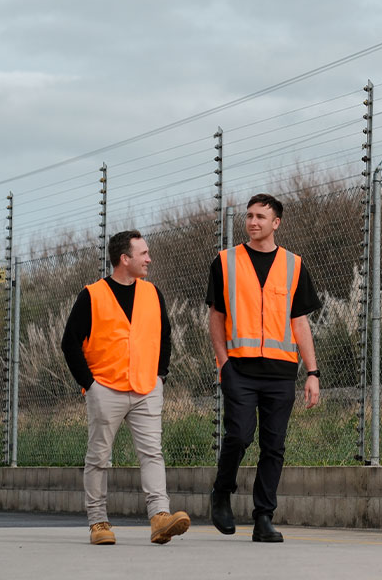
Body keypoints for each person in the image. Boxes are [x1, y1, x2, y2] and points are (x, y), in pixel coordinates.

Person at [60, 229, 191, 546]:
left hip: (147, 388)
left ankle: (160, 517)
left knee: (152, 454)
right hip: (106, 389)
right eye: (143, 253)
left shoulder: (152, 293)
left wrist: (160, 376)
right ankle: (98, 523)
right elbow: (70, 344)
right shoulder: (91, 296)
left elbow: (164, 337)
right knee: (98, 459)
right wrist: (90, 386)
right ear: (124, 258)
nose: (149, 258)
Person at [206, 193, 321, 543]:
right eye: (249, 216)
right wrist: (224, 363)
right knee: (239, 435)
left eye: (261, 217)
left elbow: (299, 322)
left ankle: (263, 517)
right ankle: (221, 493)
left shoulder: (293, 265)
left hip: (281, 372)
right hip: (239, 369)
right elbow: (215, 317)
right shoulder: (224, 262)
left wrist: (312, 373)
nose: (253, 222)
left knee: (274, 447)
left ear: (276, 223)